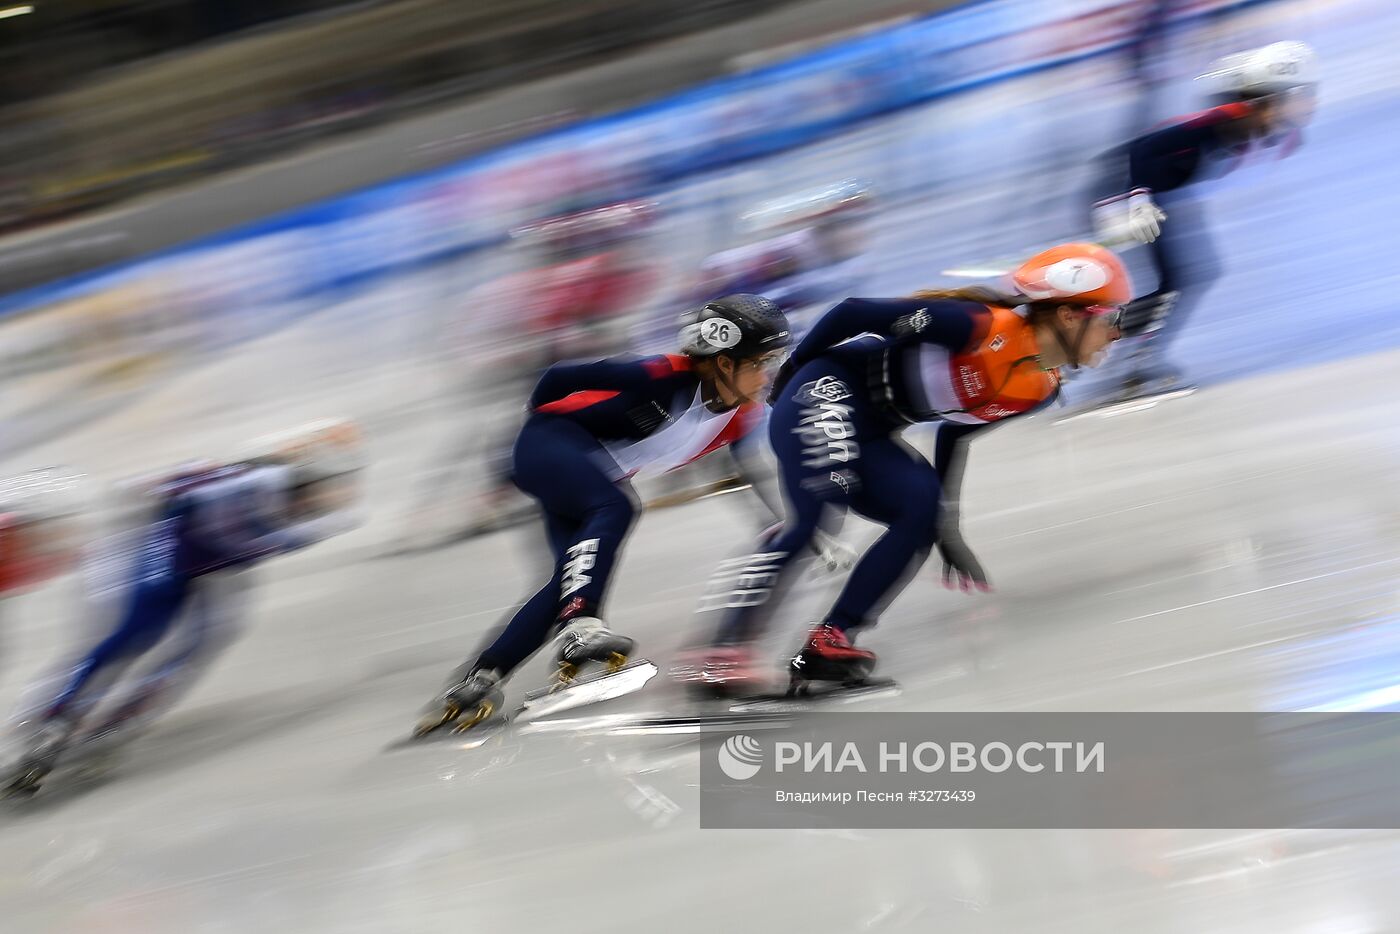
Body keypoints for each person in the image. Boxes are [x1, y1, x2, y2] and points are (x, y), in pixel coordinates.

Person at [681, 244, 1130, 694]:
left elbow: (957, 431)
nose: (1116, 334)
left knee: (921, 511)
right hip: (827, 389)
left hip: (874, 431)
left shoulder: (1039, 389)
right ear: (1069, 315)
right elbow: (852, 313)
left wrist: (946, 528)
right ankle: (723, 650)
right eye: (1111, 318)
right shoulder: (976, 326)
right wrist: (791, 374)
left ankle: (829, 641)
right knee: (819, 511)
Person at [416, 295, 801, 735]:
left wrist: (781, 521)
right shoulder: (661, 375)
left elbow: (743, 470)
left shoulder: (739, 416)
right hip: (549, 443)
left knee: (568, 578)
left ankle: (479, 679)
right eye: (761, 361)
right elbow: (555, 377)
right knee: (616, 507)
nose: (768, 374)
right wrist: (538, 432)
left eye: (775, 360)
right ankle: (581, 627)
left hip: (593, 473)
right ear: (724, 362)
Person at [2, 419, 364, 796]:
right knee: (134, 635)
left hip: (200, 560)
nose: (317, 503)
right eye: (317, 491)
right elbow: (232, 537)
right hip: (169, 553)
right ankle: (53, 718)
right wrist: (301, 535)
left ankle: (108, 717)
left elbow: (236, 543)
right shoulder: (251, 485)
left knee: (207, 636)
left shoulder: (258, 488)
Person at [1089, 40, 1316, 394]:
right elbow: (1143, 149)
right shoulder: (1226, 121)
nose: (1312, 103)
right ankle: (1096, 343)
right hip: (1123, 188)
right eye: (1304, 93)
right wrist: (1136, 198)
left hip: (1159, 193)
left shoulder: (1278, 131)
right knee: (1178, 277)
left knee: (1188, 277)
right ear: (1270, 99)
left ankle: (1128, 354)